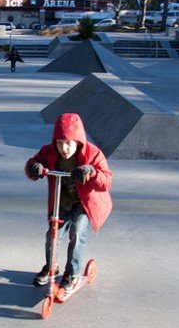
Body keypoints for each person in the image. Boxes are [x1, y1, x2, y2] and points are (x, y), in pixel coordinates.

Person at [25, 113, 113, 294]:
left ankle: (72, 273)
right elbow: (31, 165)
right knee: (52, 234)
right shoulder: (48, 152)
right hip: (61, 201)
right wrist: (34, 168)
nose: (64, 148)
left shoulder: (93, 154)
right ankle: (51, 267)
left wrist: (92, 172)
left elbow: (106, 181)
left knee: (77, 231)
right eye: (60, 143)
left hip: (84, 203)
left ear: (78, 141)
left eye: (69, 143)